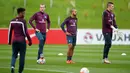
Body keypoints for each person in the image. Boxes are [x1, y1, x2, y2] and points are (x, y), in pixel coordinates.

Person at [8, 7, 32, 73]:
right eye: (23, 13)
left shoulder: (12, 21)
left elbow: (9, 31)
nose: (24, 14)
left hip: (14, 41)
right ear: (20, 13)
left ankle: (12, 66)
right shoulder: (23, 21)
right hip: (21, 41)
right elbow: (25, 32)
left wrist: (9, 41)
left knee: (14, 55)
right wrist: (30, 40)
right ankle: (20, 71)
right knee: (22, 56)